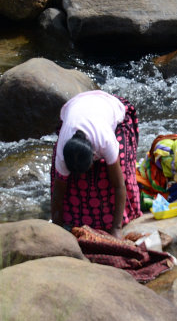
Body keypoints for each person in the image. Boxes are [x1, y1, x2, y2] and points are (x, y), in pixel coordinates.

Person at [50, 90, 142, 238]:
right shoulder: (63, 151)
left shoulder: (104, 140)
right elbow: (58, 191)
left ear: (94, 155)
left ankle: (127, 213)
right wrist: (57, 228)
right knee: (68, 179)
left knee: (120, 167)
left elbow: (119, 186)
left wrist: (116, 229)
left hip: (110, 106)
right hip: (75, 106)